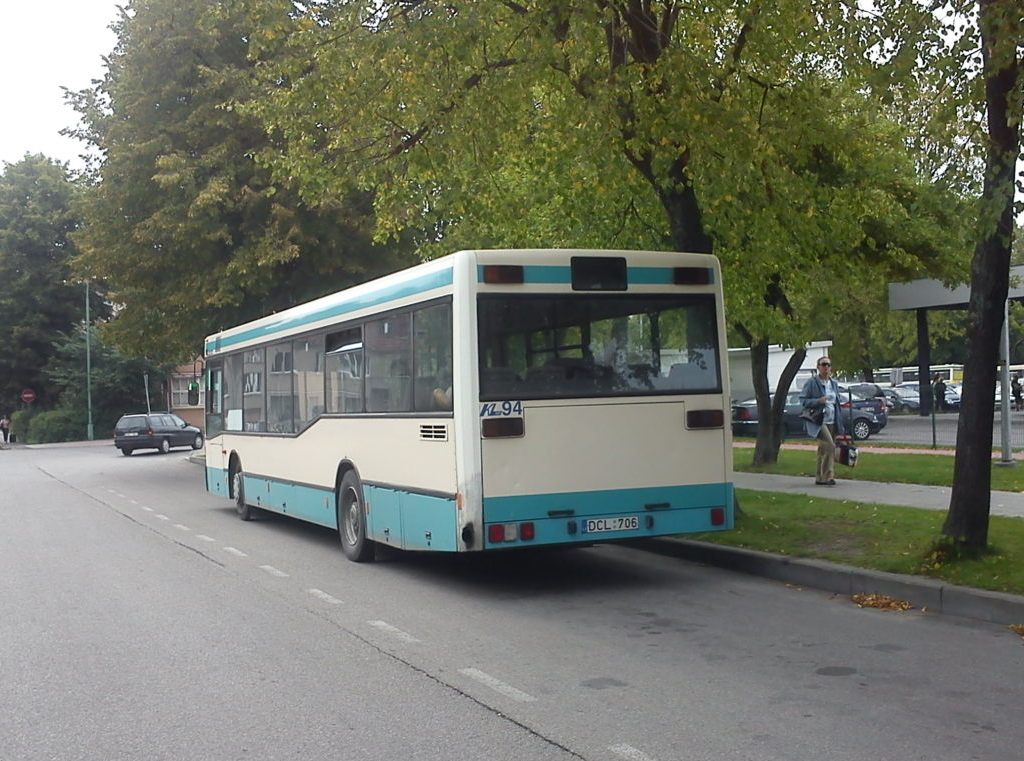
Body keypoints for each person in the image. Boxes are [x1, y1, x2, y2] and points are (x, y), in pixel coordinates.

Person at [799, 357, 848, 486]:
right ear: (818, 367)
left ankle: (819, 478)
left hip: (832, 420)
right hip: (818, 420)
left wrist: (840, 423)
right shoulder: (812, 383)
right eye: (823, 364)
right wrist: (818, 401)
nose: (826, 367)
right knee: (830, 446)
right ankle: (828, 476)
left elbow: (836, 404)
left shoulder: (834, 384)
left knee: (824, 448)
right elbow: (803, 400)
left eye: (828, 365)